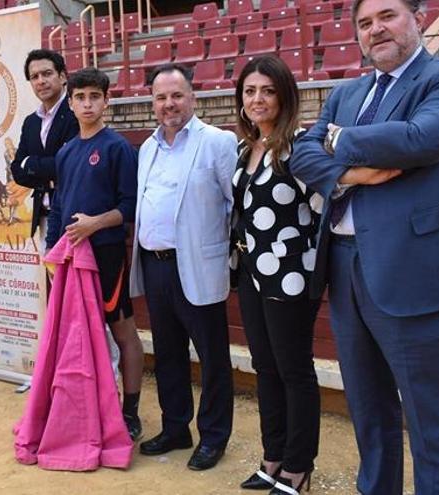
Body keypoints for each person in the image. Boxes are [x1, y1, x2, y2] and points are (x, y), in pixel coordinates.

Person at [290, 0, 439, 492]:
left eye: (388, 15)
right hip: (345, 268)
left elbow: (418, 139)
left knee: (433, 417)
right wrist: (351, 171)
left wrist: (334, 140)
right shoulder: (346, 92)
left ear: (418, 19)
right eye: (364, 23)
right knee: (368, 410)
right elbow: (300, 152)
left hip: (416, 270)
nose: (375, 29)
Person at [129, 64, 238, 471]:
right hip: (156, 266)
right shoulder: (147, 147)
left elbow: (235, 206)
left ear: (193, 97)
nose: (168, 104)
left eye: (176, 95)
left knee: (212, 356)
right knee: (169, 353)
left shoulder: (217, 142)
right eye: (160, 97)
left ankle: (214, 436)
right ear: (152, 103)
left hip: (197, 265)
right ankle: (177, 427)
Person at [230, 56, 322, 494]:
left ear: (284, 95)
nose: (257, 98)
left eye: (267, 90)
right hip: (250, 272)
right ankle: (273, 457)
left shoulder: (300, 146)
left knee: (293, 370)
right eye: (250, 91)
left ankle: (299, 467)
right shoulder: (245, 148)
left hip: (290, 277)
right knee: (265, 367)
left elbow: (323, 211)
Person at [44, 67, 143, 440]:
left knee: (122, 331)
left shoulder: (117, 148)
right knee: (76, 336)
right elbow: (57, 209)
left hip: (106, 254)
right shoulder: (66, 151)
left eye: (94, 97)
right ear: (70, 103)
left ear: (106, 101)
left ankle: (130, 412)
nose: (87, 104)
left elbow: (130, 207)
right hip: (69, 260)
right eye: (80, 97)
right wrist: (54, 256)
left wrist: (95, 224)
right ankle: (89, 407)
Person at [10, 49, 79, 238]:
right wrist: (50, 172)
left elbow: (70, 165)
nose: (41, 81)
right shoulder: (31, 122)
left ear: (63, 76)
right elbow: (17, 170)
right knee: (49, 268)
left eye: (47, 73)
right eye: (34, 77)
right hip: (43, 217)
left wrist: (31, 163)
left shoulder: (77, 114)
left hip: (75, 216)